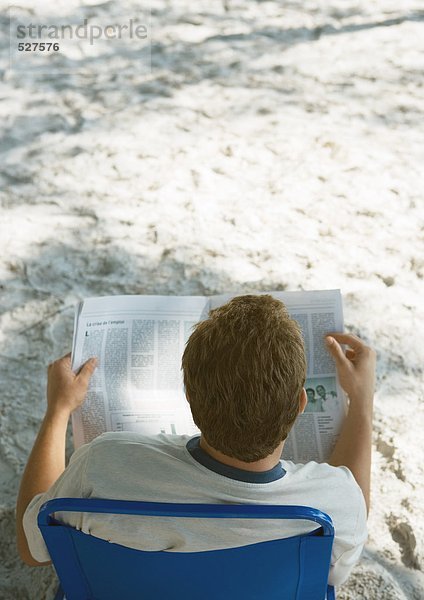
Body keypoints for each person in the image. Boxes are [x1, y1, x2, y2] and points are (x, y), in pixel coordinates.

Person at [16, 294, 376, 587]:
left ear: (188, 394)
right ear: (301, 403)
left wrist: (57, 412)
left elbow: (32, 548)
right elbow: (338, 553)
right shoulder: (332, 505)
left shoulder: (100, 464)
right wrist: (360, 402)